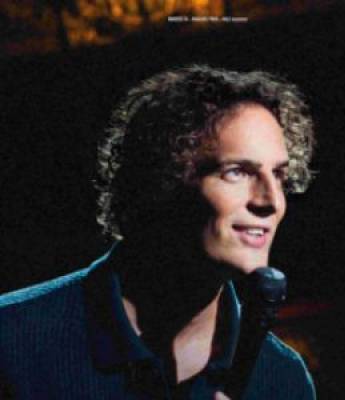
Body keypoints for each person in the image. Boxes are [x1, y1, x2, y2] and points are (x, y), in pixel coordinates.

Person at [0, 65, 315, 399]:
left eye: (279, 175)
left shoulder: (283, 380)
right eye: (236, 172)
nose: (271, 201)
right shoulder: (12, 340)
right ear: (162, 183)